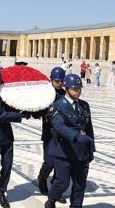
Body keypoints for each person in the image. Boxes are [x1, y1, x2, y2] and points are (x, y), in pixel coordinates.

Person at [0, 67, 31, 208]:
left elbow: (12, 107)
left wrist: (25, 108)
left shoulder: (5, 93)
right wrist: (19, 116)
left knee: (8, 165)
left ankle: (1, 192)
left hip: (7, 134)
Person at [45, 74, 95, 208]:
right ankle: (51, 200)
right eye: (74, 89)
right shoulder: (57, 106)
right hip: (64, 152)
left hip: (81, 153)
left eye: (79, 88)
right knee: (62, 183)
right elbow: (59, 126)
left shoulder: (85, 105)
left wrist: (91, 149)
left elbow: (89, 128)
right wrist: (77, 136)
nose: (78, 91)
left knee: (80, 185)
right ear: (67, 88)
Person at [37, 67, 67, 204]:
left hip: (63, 133)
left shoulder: (65, 94)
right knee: (49, 161)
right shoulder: (45, 93)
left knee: (59, 162)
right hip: (49, 132)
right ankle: (42, 178)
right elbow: (37, 112)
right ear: (51, 79)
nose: (60, 83)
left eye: (61, 81)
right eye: (57, 81)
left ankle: (56, 190)